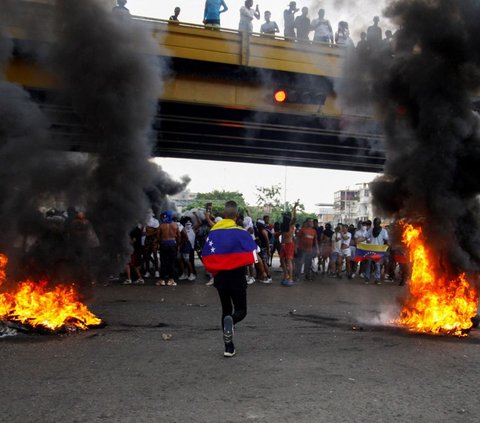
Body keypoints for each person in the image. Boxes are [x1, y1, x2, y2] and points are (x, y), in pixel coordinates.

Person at [201, 201, 257, 358]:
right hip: (237, 277)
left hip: (220, 278)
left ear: (224, 215)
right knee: (241, 311)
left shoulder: (214, 232)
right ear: (237, 216)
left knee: (226, 309)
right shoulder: (242, 233)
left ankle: (229, 347)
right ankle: (231, 321)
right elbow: (252, 256)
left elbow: (206, 253)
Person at [156, 210, 181, 286]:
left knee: (163, 262)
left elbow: (158, 236)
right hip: (173, 244)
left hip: (164, 244)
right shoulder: (175, 225)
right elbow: (179, 236)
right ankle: (171, 280)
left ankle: (162, 280)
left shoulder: (161, 225)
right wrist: (178, 245)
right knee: (172, 262)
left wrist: (161, 242)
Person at [279, 201, 299, 286]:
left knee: (289, 260)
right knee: (282, 260)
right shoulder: (283, 224)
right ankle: (286, 275)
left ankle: (290, 278)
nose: (284, 217)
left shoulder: (290, 224)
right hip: (283, 245)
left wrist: (294, 208)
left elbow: (295, 218)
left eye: (285, 216)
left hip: (289, 244)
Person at [364, 217, 389, 284]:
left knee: (377, 265)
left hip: (378, 250)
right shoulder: (371, 230)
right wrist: (363, 241)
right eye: (375, 223)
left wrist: (388, 245)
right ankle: (367, 278)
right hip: (371, 249)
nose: (376, 224)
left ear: (379, 223)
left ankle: (377, 279)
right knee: (369, 264)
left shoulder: (384, 231)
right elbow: (366, 237)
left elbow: (386, 239)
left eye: (377, 223)